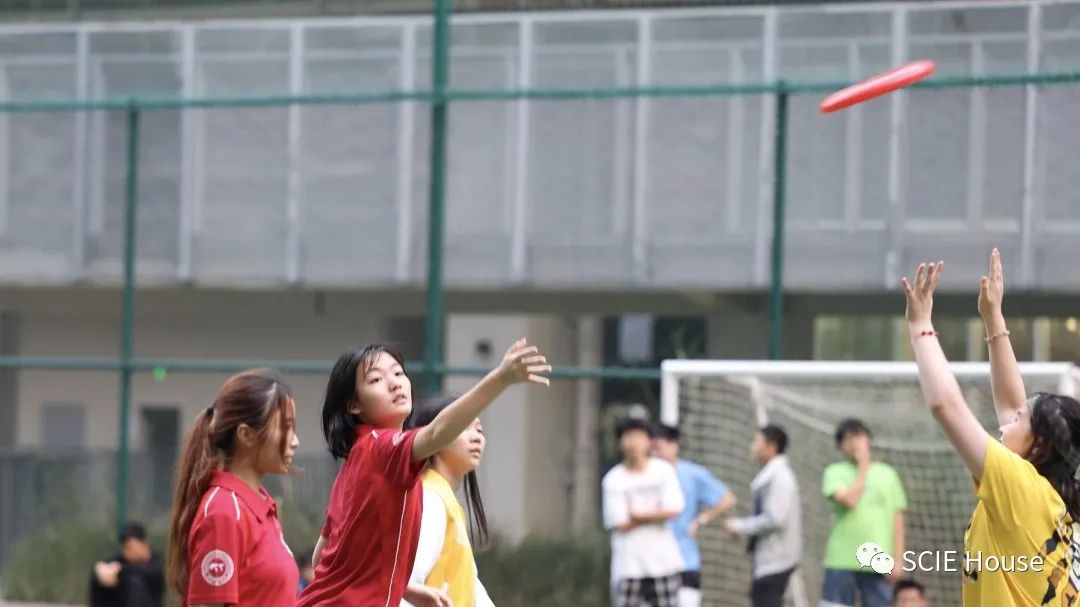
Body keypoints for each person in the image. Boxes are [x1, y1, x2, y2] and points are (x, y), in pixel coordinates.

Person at [298, 339, 550, 607]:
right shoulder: (382, 450)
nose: (395, 383)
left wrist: (403, 588)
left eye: (398, 373)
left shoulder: (356, 462)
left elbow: (321, 557)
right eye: (375, 380)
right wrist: (500, 378)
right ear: (353, 405)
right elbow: (436, 432)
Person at [903, 250, 1080, 604]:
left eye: (1020, 420)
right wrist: (993, 317)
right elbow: (1015, 405)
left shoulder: (1021, 489)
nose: (1009, 418)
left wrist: (920, 327)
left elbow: (946, 406)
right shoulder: (1050, 500)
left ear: (1041, 445)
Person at [166, 368, 301, 607]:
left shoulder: (259, 507)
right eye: (285, 427)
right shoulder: (224, 511)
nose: (295, 441)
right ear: (246, 435)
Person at [400, 396, 496, 607]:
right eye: (464, 427)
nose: (477, 438)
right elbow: (405, 588)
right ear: (433, 436)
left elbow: (471, 588)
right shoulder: (429, 498)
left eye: (479, 430)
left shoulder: (442, 499)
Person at [820, 418, 907, 607]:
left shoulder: (888, 474)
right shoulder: (834, 472)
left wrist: (898, 560)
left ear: (869, 439)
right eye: (848, 438)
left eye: (858, 436)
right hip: (841, 560)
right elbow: (850, 500)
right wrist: (863, 466)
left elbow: (897, 518)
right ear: (840, 445)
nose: (854, 443)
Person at [602, 417, 685, 607]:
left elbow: (674, 509)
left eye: (639, 437)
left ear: (649, 441)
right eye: (628, 437)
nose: (634, 443)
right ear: (620, 443)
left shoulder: (663, 471)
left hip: (663, 563)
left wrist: (639, 516)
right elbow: (620, 523)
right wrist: (657, 515)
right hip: (629, 566)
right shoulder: (614, 480)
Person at [651, 424, 735, 607]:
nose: (655, 454)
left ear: (674, 445)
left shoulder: (692, 474)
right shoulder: (647, 476)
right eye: (652, 450)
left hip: (685, 559)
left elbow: (727, 498)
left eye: (658, 448)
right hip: (653, 560)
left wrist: (701, 519)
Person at [724, 425, 801, 607]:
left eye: (756, 442)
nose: (752, 447)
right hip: (769, 558)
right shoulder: (772, 476)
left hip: (777, 559)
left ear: (772, 446)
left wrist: (740, 526)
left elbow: (775, 519)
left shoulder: (781, 477)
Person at [89, 521, 165, 607]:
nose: (128, 550)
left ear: (144, 544)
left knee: (134, 582)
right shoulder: (121, 560)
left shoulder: (157, 561)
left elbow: (153, 573)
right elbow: (105, 567)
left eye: (131, 546)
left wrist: (120, 571)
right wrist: (101, 571)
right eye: (125, 546)